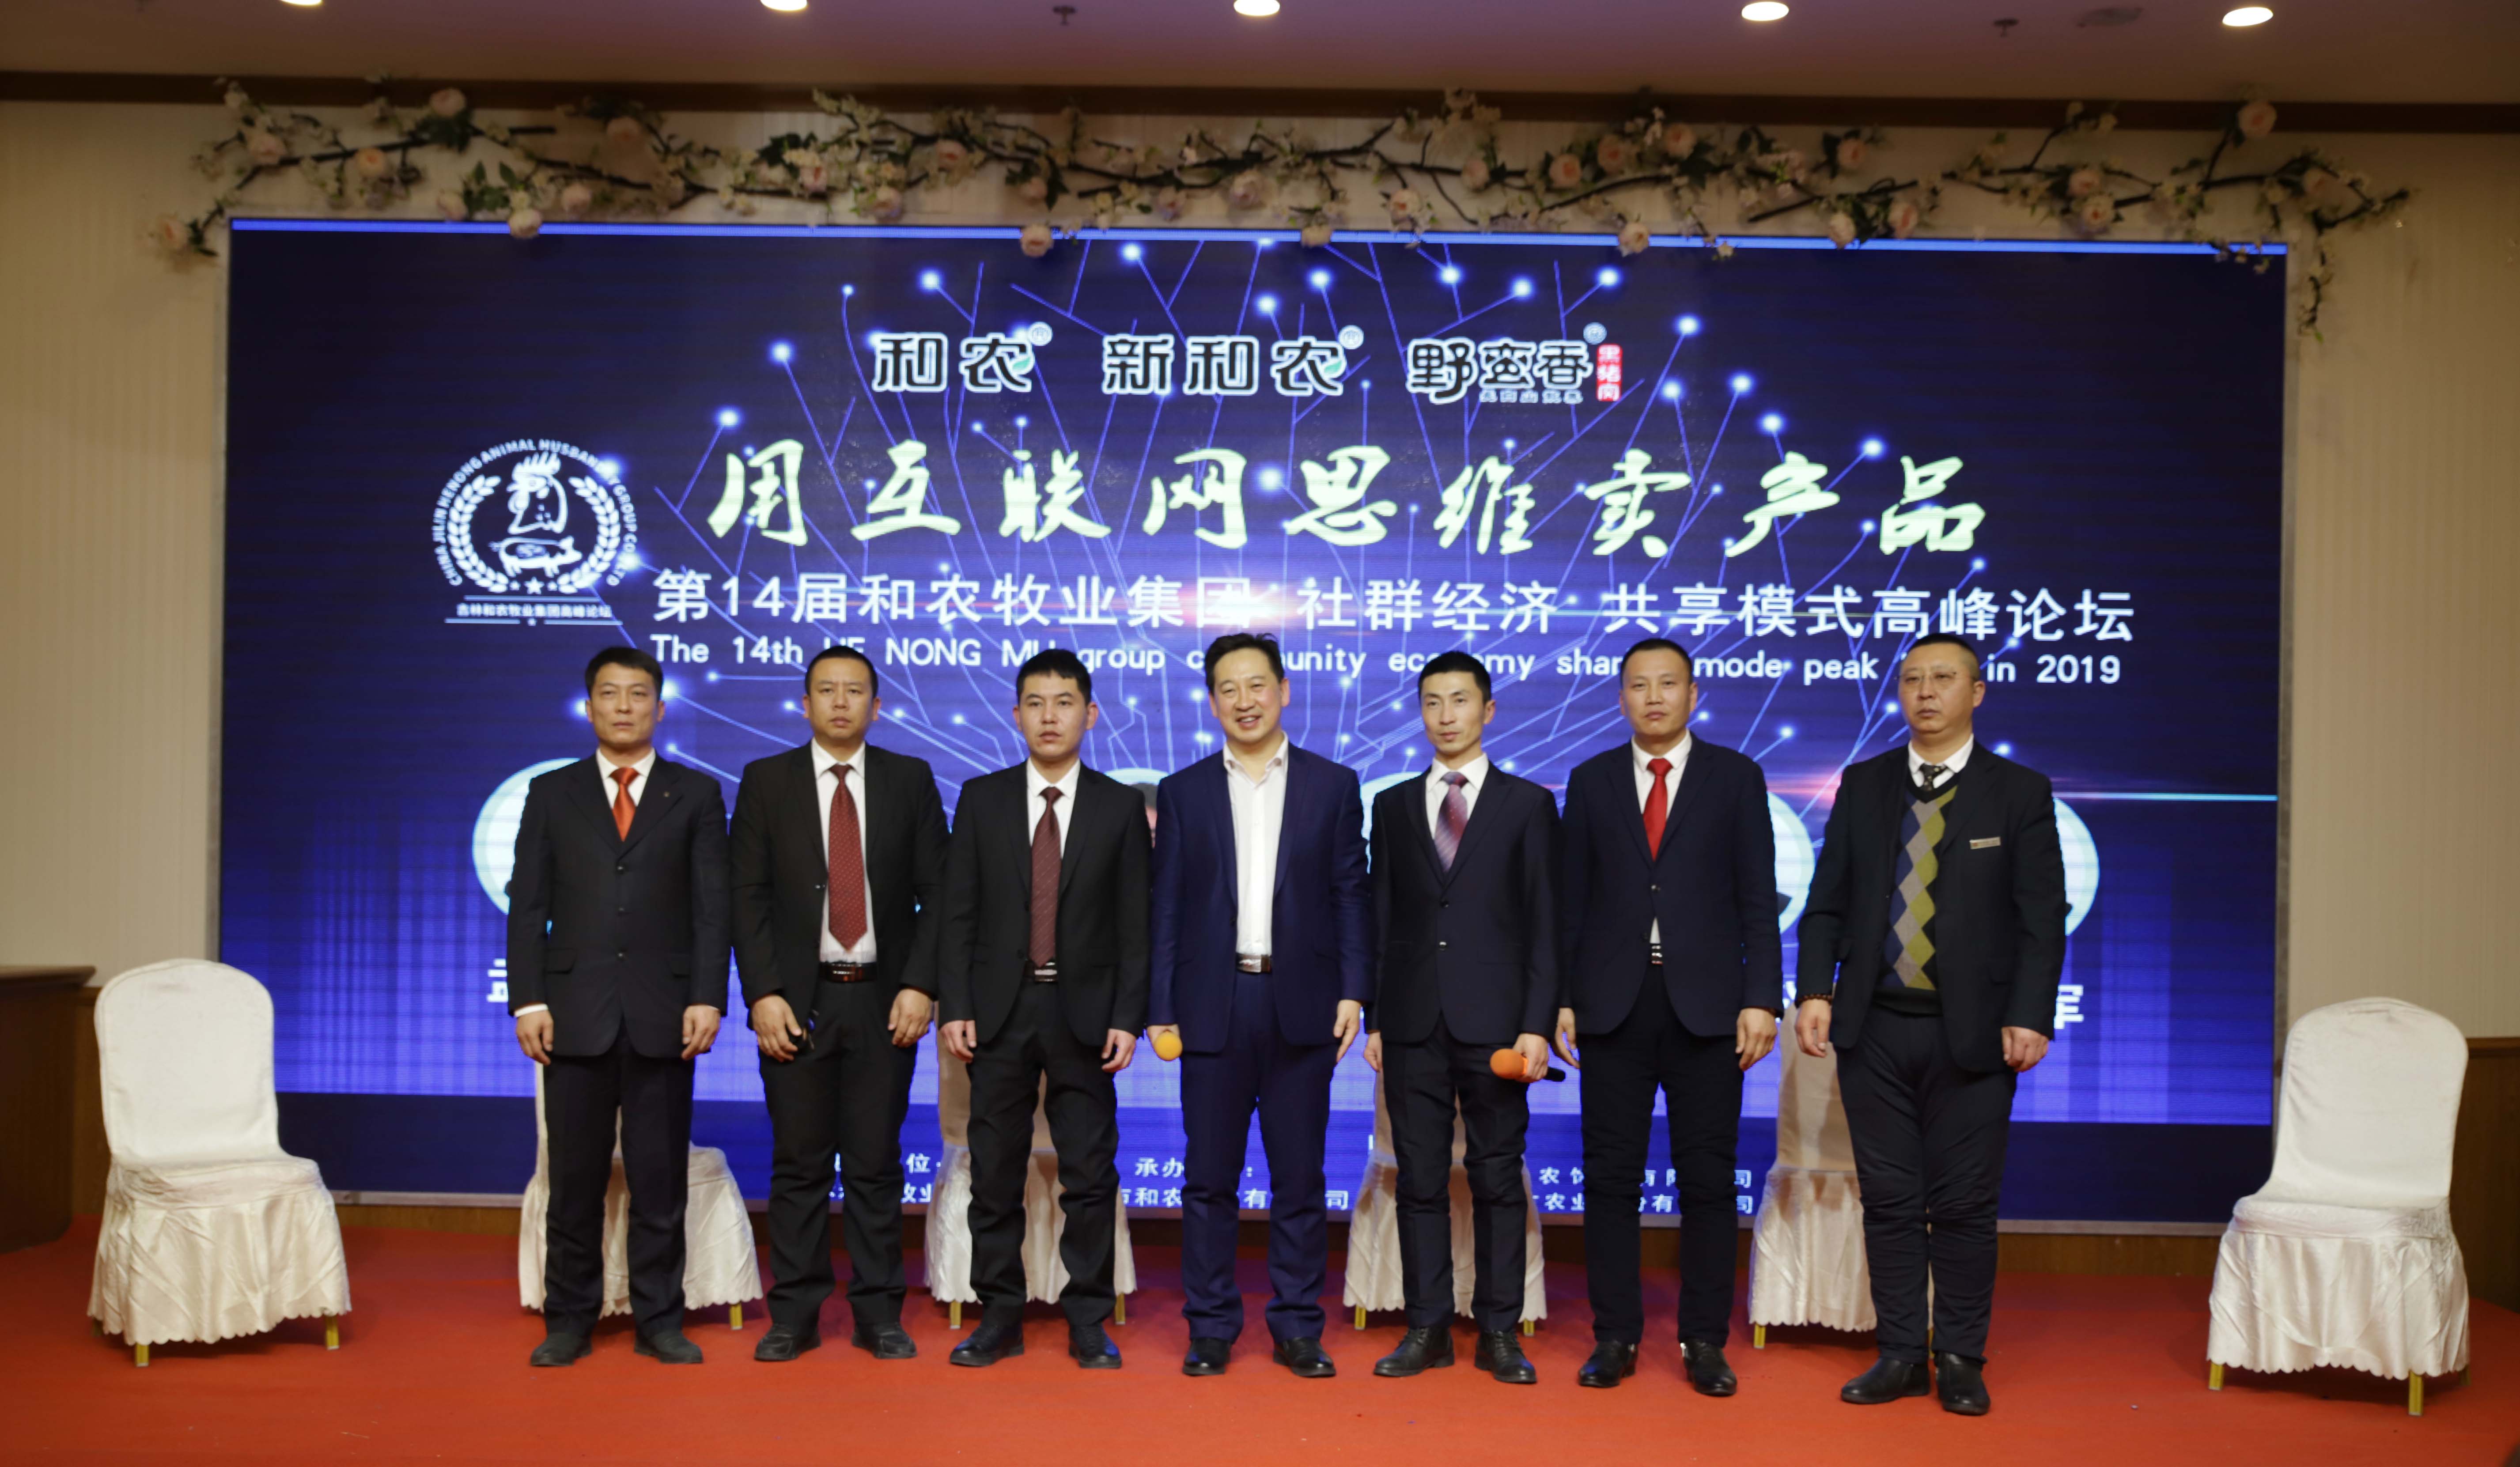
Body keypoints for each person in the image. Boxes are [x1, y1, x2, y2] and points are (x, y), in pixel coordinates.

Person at [1793, 633, 2066, 1417]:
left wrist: (2029, 1013)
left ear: (1975, 692)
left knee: (1964, 1204)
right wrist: (1815, 989)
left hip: (1972, 1033)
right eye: (1912, 679)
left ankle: (1961, 1356)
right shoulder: (1865, 782)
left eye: (1943, 678)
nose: (1924, 691)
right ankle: (1901, 1354)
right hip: (1873, 1027)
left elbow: (2041, 917)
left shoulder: (2018, 791)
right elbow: (1827, 901)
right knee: (1888, 1200)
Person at [1557, 637, 1780, 1395]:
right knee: (1610, 1178)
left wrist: (1761, 997)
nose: (1653, 697)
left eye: (1667, 684)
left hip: (1708, 1007)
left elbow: (1757, 897)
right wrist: (1562, 997)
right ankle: (1614, 1335)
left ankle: (1702, 1340)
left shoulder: (1735, 777)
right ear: (1620, 696)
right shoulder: (1590, 780)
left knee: (1708, 1181)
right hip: (1613, 1004)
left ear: (1693, 693)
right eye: (1638, 685)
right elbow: (1571, 900)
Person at [1148, 632, 1371, 1379]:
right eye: (1228, 688)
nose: (1244, 701)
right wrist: (1160, 1005)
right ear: (1212, 701)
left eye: (1256, 685)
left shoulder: (1332, 785)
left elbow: (1350, 894)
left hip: (1301, 1004)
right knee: (1208, 1179)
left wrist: (1354, 989)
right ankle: (1210, 1326)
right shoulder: (1182, 790)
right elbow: (1166, 906)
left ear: (1283, 690)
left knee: (1299, 1179)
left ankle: (1297, 1326)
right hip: (1211, 1005)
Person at [507, 646, 730, 1367]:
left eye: (638, 694)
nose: (624, 706)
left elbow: (712, 908)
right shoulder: (552, 792)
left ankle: (659, 1320)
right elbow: (527, 904)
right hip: (573, 1012)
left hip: (665, 1012)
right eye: (610, 693)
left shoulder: (694, 794)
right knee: (574, 1181)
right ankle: (568, 1320)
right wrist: (529, 1000)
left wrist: (707, 995)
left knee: (658, 1181)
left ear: (660, 708)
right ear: (590, 706)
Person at [935, 649, 1150, 1371]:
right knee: (995, 1172)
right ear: (1016, 713)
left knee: (1089, 1175)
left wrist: (1127, 1014)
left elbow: (1135, 922)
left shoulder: (1119, 805)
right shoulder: (982, 797)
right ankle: (999, 1314)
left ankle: (1087, 1316)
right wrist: (955, 1002)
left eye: (1064, 703)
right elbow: (957, 912)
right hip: (998, 1010)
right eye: (1035, 702)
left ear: (1091, 714)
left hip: (1084, 1012)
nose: (1049, 716)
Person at [731, 645, 947, 1364]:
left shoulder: (909, 779)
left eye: (855, 691)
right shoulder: (766, 780)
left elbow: (940, 893)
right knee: (798, 1165)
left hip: (884, 999)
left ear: (876, 706)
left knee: (875, 1164)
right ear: (805, 704)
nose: (840, 702)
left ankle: (878, 1314)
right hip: (798, 1001)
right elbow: (747, 897)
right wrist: (762, 993)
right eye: (826, 690)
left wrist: (921, 984)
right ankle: (793, 1314)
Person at [1362, 651, 1559, 1386]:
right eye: (1431, 702)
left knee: (1497, 1176)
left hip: (1498, 1024)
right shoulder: (1391, 806)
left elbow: (1545, 922)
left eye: (1459, 700)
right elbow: (1383, 919)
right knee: (1418, 1179)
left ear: (1488, 709)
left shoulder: (1527, 804)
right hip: (1412, 1021)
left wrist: (1536, 1022)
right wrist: (1377, 1017)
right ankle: (1427, 1327)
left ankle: (1500, 1331)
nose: (1445, 715)